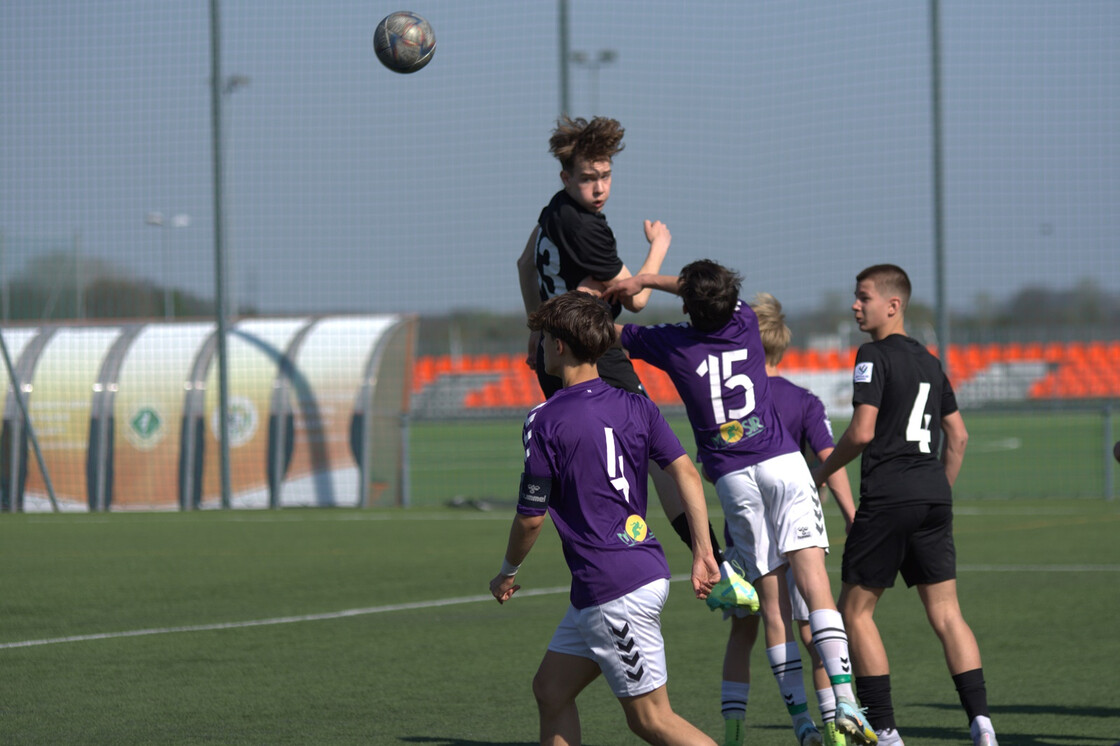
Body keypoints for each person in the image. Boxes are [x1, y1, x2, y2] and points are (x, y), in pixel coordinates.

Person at [607, 260, 877, 746]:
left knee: (770, 607)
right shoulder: (745, 321)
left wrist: (599, 296)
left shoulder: (671, 343)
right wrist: (651, 278)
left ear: (687, 305)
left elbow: (613, 333)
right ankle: (847, 704)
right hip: (782, 463)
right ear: (729, 300)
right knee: (815, 587)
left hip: (732, 479)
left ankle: (802, 725)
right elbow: (707, 293)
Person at [515, 115, 754, 612]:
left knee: (587, 465)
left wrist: (535, 329)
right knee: (659, 456)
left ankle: (603, 568)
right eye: (587, 177)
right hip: (592, 352)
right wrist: (660, 247)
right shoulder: (585, 228)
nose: (598, 187)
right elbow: (637, 299)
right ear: (566, 178)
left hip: (554, 355)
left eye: (604, 175)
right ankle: (716, 565)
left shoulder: (553, 211)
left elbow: (523, 264)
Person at [489, 291, 721, 746]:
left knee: (651, 719)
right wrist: (703, 552)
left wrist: (507, 572)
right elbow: (687, 474)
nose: (537, 348)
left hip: (612, 589)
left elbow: (530, 519)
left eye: (542, 337)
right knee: (551, 690)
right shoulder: (638, 405)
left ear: (558, 346)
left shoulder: (544, 419)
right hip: (632, 575)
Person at [811, 264, 998, 746]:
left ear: (893, 305)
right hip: (932, 496)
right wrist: (937, 489)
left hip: (889, 495)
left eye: (864, 297)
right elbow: (958, 436)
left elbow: (862, 432)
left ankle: (887, 731)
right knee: (947, 614)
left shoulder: (871, 355)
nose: (856, 304)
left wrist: (821, 474)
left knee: (855, 613)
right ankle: (982, 724)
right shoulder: (931, 362)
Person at [716, 292, 859, 746]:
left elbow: (711, 465)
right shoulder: (803, 400)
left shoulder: (730, 402)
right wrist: (851, 515)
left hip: (744, 526)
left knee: (744, 631)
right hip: (795, 520)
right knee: (812, 624)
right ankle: (837, 725)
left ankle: (736, 730)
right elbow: (829, 461)